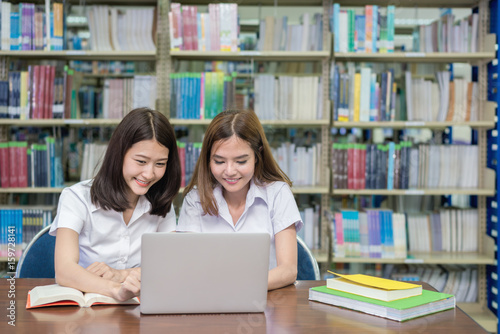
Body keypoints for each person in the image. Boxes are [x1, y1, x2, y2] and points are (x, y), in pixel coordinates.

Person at [50, 107, 181, 301]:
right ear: (119, 154)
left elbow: (170, 267)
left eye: (160, 164)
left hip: (139, 311)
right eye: (141, 161)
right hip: (85, 312)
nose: (149, 174)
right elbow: (64, 270)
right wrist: (115, 289)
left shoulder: (162, 203)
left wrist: (121, 274)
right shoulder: (76, 197)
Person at [177, 109, 303, 290]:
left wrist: (240, 288)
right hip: (209, 302)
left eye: (241, 161)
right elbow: (188, 267)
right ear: (208, 159)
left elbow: (288, 270)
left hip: (266, 305)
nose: (229, 171)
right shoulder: (195, 199)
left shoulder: (278, 194)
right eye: (219, 161)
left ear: (257, 156)